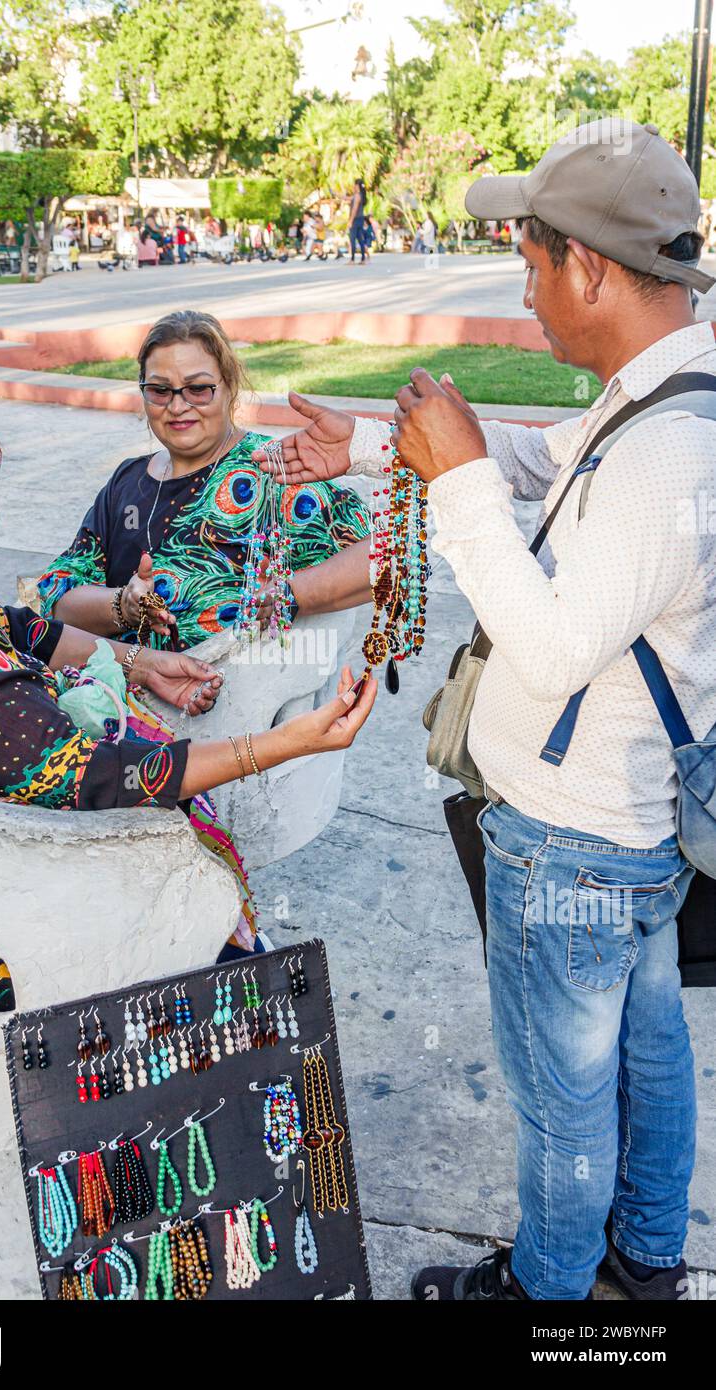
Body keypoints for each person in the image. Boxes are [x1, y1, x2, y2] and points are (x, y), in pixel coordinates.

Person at [257, 118, 716, 1304]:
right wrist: (379, 448)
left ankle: (548, 1293)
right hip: (624, 825)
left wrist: (452, 478)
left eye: (526, 260)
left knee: (563, 1095)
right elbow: (540, 464)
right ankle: (645, 1259)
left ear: (589, 271)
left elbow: (553, 645)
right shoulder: (660, 390)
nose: (521, 288)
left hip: (571, 835)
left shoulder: (673, 446)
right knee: (646, 1059)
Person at [0, 379, 377, 1010]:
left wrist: (136, 662)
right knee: (244, 971)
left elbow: (21, 627)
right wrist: (284, 743)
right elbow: (110, 778)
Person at [37, 310, 373, 652]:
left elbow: (389, 558)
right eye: (159, 390)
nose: (178, 406)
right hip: (117, 692)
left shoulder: (271, 471)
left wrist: (289, 595)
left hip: (229, 696)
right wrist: (123, 605)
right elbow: (59, 599)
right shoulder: (128, 480)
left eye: (198, 389)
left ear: (230, 387)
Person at [348, 179, 368, 264]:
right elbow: (346, 198)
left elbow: (354, 209)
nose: (353, 186)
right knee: (360, 239)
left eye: (354, 185)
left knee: (352, 239)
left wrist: (350, 221)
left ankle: (352, 260)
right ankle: (363, 259)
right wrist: (335, 194)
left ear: (357, 186)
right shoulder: (360, 195)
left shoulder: (357, 196)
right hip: (360, 219)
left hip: (355, 219)